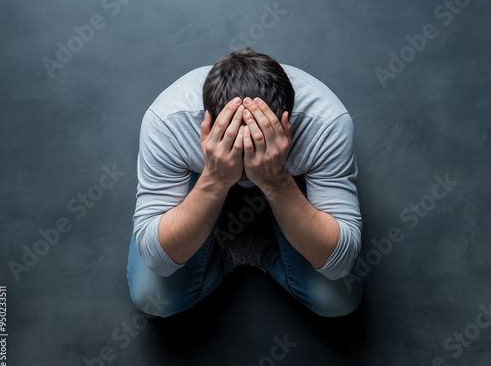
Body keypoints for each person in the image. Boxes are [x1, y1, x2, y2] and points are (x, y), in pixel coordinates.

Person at [127, 47, 365, 318]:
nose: (247, 168)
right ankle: (228, 254)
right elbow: (157, 259)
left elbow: (339, 264)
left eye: (256, 148)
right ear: (205, 125)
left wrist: (276, 180)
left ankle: (258, 249)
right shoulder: (169, 120)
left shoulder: (326, 123)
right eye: (233, 149)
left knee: (337, 300)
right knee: (153, 298)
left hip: (288, 176)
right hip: (203, 173)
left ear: (286, 125)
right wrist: (215, 178)